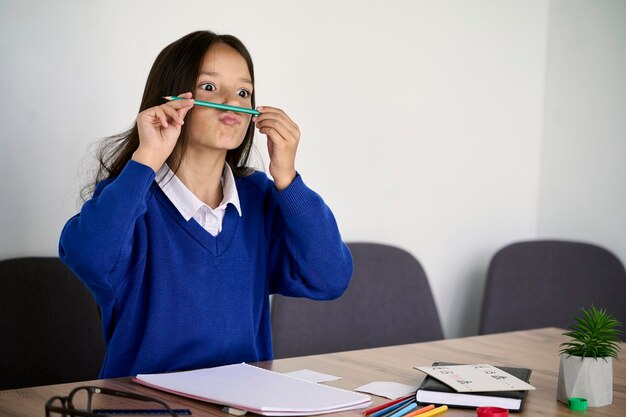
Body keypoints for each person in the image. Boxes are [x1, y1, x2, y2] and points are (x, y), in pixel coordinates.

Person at [59, 30, 353, 379]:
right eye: (210, 88)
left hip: (243, 402)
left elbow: (330, 278)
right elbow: (87, 257)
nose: (232, 101)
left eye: (243, 92)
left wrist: (287, 180)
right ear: (171, 101)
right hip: (148, 406)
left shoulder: (260, 198)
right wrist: (147, 157)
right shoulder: (129, 199)